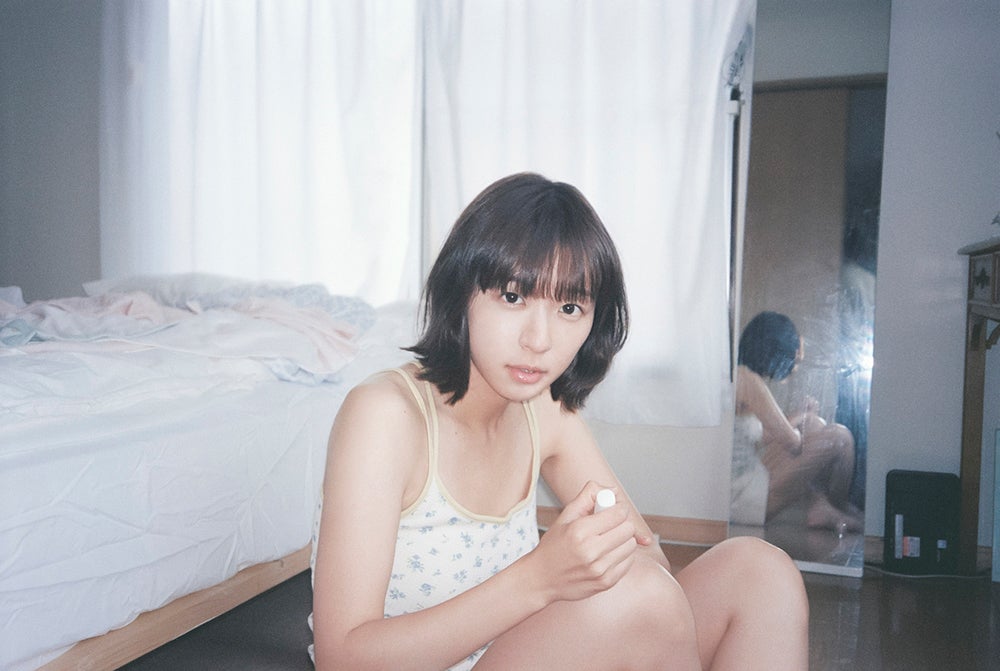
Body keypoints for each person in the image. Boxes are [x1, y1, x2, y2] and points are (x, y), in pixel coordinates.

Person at [311, 173, 808, 670]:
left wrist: (585, 574)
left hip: (516, 652)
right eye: (513, 297)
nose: (539, 340)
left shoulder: (543, 410)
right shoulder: (385, 415)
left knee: (759, 571)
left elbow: (646, 560)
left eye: (569, 307)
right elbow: (342, 658)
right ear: (460, 290)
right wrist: (540, 579)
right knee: (640, 597)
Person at [731, 310, 862, 533]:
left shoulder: (742, 376)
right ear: (777, 350)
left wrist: (804, 417)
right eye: (796, 357)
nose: (796, 366)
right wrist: (802, 418)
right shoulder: (749, 381)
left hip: (744, 482)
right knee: (841, 437)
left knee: (813, 424)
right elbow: (793, 444)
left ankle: (821, 505)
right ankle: (834, 506)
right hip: (742, 499)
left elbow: (758, 439)